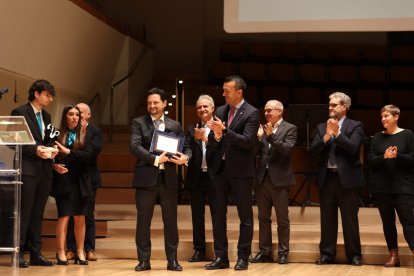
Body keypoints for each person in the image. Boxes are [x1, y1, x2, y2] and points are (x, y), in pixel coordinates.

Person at [130, 87, 191, 272]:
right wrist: (156, 159)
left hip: (169, 179)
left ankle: (172, 260)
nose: (152, 106)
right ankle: (143, 260)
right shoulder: (138, 123)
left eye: (155, 102)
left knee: (171, 221)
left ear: (164, 103)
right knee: (143, 221)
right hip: (146, 178)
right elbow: (134, 147)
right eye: (149, 103)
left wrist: (185, 158)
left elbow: (186, 146)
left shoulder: (175, 125)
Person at [205, 75, 260, 270]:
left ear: (239, 92)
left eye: (227, 91)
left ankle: (243, 257)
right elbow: (213, 141)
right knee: (218, 214)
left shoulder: (252, 113)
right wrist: (217, 136)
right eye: (223, 90)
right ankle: (221, 257)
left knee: (245, 216)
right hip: (220, 170)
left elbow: (247, 142)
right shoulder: (220, 110)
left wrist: (225, 131)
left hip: (241, 171)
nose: (223, 94)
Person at [310, 92, 365, 266]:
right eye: (329, 104)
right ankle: (327, 254)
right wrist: (326, 137)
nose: (330, 107)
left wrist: (338, 135)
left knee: (350, 219)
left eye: (334, 105)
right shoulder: (321, 127)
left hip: (347, 180)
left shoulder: (355, 126)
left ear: (345, 107)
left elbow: (354, 148)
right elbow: (312, 151)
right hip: (327, 179)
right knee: (327, 219)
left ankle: (354, 255)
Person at [10, 79, 57, 268]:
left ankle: (36, 253)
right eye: (47, 95)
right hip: (27, 169)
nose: (50, 99)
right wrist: (35, 149)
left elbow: (48, 139)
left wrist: (52, 150)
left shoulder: (46, 116)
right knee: (24, 212)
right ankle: (18, 252)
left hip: (44, 170)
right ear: (36, 94)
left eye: (51, 95)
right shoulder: (19, 112)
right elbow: (12, 141)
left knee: (38, 213)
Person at [251, 100, 297, 265]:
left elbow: (285, 150)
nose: (267, 114)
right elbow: (255, 153)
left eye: (270, 110)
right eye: (265, 111)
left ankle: (283, 253)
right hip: (262, 179)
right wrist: (257, 139)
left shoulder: (290, 128)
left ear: (280, 111)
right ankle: (265, 252)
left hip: (280, 180)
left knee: (282, 219)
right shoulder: (262, 129)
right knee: (263, 218)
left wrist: (270, 136)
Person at [369, 105, 414, 267]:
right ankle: (393, 255)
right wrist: (384, 156)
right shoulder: (376, 137)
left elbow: (412, 158)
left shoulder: (407, 134)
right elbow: (371, 161)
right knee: (388, 223)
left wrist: (397, 156)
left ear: (396, 117)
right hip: (382, 188)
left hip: (403, 187)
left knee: (409, 222)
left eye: (387, 116)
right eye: (382, 116)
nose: (383, 119)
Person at [52, 105, 93, 265]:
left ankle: (80, 251)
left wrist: (68, 151)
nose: (75, 117)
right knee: (64, 216)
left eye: (77, 114)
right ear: (65, 117)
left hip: (80, 180)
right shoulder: (57, 134)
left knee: (80, 217)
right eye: (71, 114)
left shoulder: (85, 135)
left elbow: (88, 156)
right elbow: (50, 156)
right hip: (63, 180)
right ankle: (61, 251)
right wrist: (54, 166)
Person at [66, 103, 103, 262]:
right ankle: (71, 249)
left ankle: (89, 249)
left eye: (81, 113)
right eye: (75, 112)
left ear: (88, 115)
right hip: (71, 177)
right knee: (70, 213)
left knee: (88, 214)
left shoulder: (95, 131)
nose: (77, 116)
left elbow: (93, 152)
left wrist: (72, 152)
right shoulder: (69, 130)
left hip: (89, 178)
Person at [185, 94, 215, 262]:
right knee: (197, 216)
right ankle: (199, 250)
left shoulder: (220, 126)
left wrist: (205, 139)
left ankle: (220, 250)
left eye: (205, 107)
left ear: (212, 108)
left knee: (218, 215)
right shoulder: (191, 129)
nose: (202, 109)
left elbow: (221, 150)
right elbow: (187, 148)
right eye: (199, 107)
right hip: (196, 177)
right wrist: (186, 157)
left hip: (215, 178)